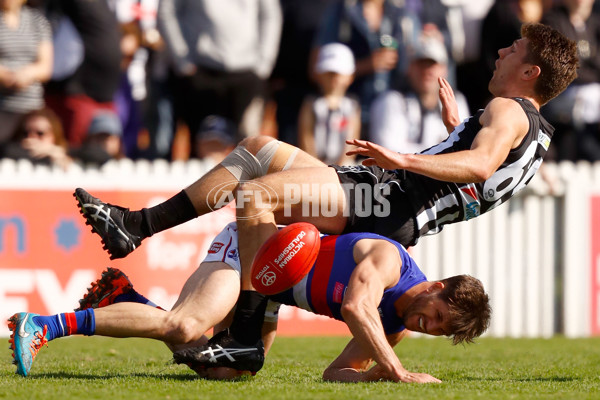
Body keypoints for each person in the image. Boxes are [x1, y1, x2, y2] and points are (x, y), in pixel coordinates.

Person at [73, 23, 577, 373]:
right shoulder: (537, 132)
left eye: (513, 50)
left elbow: (480, 165)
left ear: (531, 72)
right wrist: (455, 131)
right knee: (257, 151)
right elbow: (484, 176)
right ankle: (137, 226)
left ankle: (245, 329)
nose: (501, 53)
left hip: (390, 198)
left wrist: (406, 159)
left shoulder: (508, 108)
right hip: (395, 204)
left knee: (253, 199)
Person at [8, 222, 491, 381]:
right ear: (436, 287)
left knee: (232, 370)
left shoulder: (396, 327)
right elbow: (354, 308)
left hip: (272, 292)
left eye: (439, 331)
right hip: (255, 251)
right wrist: (399, 372)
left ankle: (125, 298)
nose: (428, 327)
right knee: (182, 327)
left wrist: (378, 376)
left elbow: (334, 374)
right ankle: (45, 325)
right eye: (439, 316)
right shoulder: (389, 260)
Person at [157, 0, 282, 149]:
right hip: (202, 71)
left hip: (247, 72)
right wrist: (183, 61)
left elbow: (270, 15)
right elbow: (167, 12)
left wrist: (264, 64)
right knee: (205, 146)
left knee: (248, 147)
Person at [369, 36, 470, 154]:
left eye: (432, 65)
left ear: (444, 69)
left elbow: (464, 151)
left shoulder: (457, 101)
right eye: (421, 64)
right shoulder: (390, 102)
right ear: (409, 68)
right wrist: (443, 151)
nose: (427, 72)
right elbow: (388, 152)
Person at [297, 43, 361, 165]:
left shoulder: (352, 106)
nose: (334, 78)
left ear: (350, 76)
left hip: (344, 167)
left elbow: (352, 138)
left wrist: (341, 166)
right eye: (329, 73)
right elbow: (306, 137)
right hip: (313, 166)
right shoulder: (312, 104)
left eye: (338, 74)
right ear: (319, 74)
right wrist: (316, 165)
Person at [0, 0, 53, 144]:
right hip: (3, 106)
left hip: (31, 107)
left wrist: (28, 74)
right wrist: (7, 76)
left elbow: (46, 67)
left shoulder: (37, 20)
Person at [0, 107, 71, 169]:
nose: (31, 137)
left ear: (54, 135)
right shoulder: (7, 151)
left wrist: (57, 155)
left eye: (40, 133)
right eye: (25, 133)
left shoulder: (65, 154)